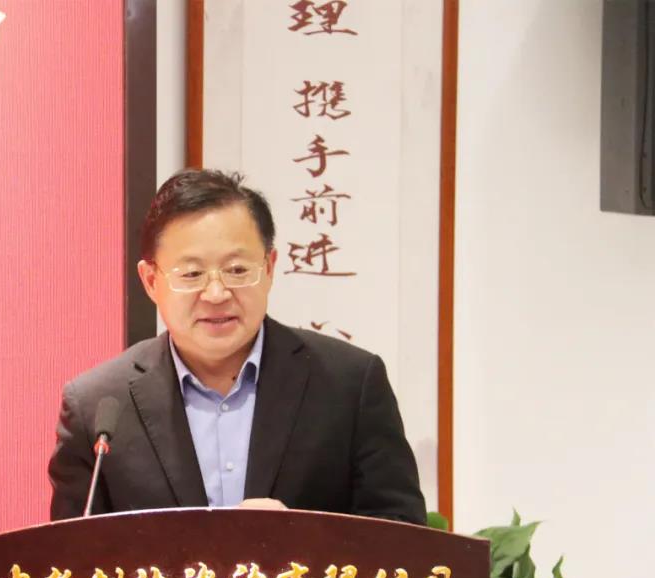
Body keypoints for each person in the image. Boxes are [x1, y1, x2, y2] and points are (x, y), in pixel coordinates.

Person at [48, 169, 426, 525]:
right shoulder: (96, 407)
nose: (216, 293)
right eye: (192, 274)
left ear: (270, 268)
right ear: (151, 281)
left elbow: (404, 540)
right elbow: (69, 560)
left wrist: (302, 539)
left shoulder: (350, 385)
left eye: (238, 270)